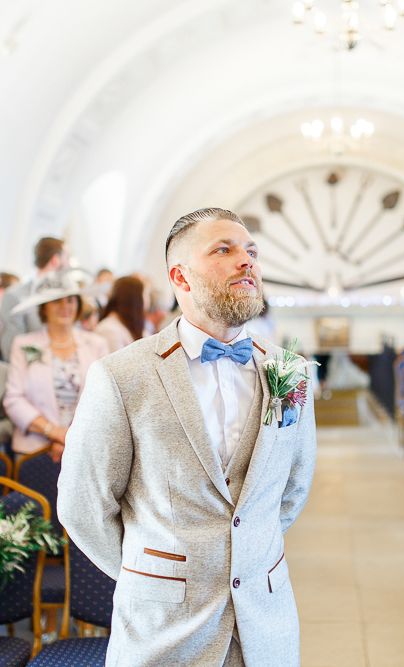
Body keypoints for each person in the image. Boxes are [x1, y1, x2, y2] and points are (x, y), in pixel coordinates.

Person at [57, 207, 317, 666]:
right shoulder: (122, 376)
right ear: (181, 276)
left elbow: (292, 488)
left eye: (250, 251)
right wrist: (154, 575)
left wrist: (250, 553)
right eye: (224, 249)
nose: (246, 260)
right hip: (163, 632)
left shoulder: (288, 370)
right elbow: (83, 503)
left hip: (264, 623)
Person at [3, 272, 108, 461]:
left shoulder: (97, 344)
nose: (65, 307)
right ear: (43, 308)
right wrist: (55, 433)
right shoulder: (23, 344)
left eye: (70, 300)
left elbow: (104, 398)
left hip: (85, 449)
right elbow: (13, 399)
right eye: (57, 301)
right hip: (33, 451)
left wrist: (72, 437)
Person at [0, 237, 69, 360]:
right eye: (67, 258)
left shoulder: (68, 298)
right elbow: (10, 350)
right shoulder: (15, 296)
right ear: (55, 260)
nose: (69, 264)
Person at [94, 275, 146, 353]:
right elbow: (115, 364)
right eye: (145, 294)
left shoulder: (129, 324)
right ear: (135, 298)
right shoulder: (109, 330)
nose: (147, 299)